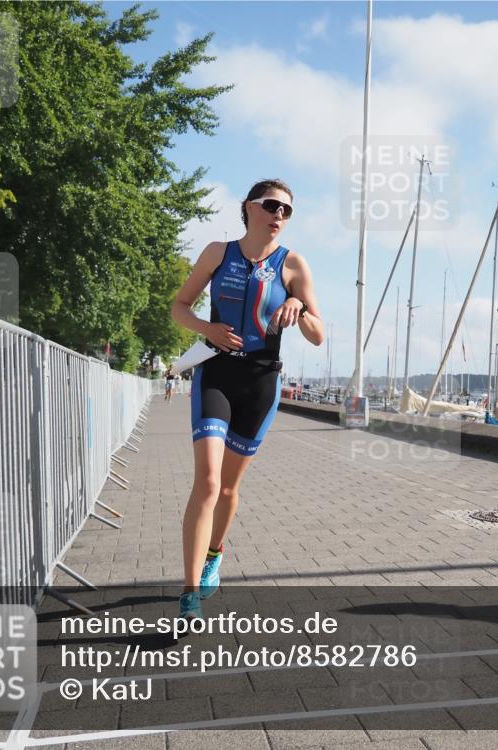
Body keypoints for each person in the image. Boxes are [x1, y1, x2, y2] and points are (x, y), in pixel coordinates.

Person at [170, 179, 324, 620]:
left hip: (260, 381)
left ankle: (215, 553)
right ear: (249, 208)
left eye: (287, 210)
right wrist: (206, 329)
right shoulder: (218, 253)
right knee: (209, 481)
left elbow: (318, 336)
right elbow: (179, 306)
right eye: (271, 206)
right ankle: (189, 589)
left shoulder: (292, 263)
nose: (279, 215)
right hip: (216, 372)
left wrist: (298, 305)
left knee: (230, 488)